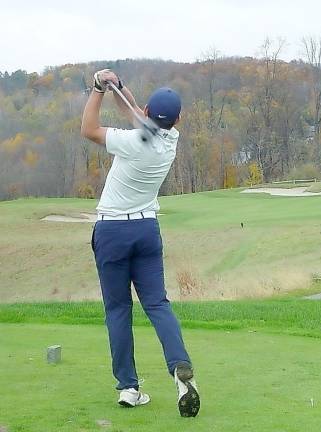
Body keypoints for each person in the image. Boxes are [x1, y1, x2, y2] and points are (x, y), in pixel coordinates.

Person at [81, 69, 200, 418]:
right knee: (157, 305)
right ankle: (180, 370)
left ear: (148, 113)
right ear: (177, 119)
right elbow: (132, 109)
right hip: (147, 231)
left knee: (118, 310)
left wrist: (97, 89)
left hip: (113, 232)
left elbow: (89, 129)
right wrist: (116, 86)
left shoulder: (135, 142)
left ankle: (129, 388)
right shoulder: (170, 139)